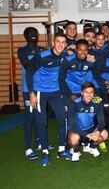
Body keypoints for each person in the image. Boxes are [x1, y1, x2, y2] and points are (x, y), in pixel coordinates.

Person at [26, 33, 72, 166]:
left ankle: (62, 150)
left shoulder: (65, 56)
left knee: (62, 119)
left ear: (66, 44)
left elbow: (77, 56)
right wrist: (31, 93)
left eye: (63, 42)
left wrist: (88, 57)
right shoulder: (42, 56)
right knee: (42, 122)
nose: (60, 45)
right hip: (40, 92)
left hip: (56, 92)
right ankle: (45, 152)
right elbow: (29, 72)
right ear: (53, 42)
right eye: (58, 41)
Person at [18, 27, 44, 159]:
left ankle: (38, 142)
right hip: (28, 89)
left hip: (41, 88)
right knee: (29, 117)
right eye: (30, 33)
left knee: (39, 116)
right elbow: (29, 66)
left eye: (35, 33)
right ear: (25, 36)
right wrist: (42, 60)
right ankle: (28, 147)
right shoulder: (22, 50)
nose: (33, 35)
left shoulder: (41, 50)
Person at [67, 82, 108, 162]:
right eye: (86, 92)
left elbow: (102, 122)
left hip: (90, 129)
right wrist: (87, 135)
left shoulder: (97, 103)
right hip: (77, 130)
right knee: (74, 139)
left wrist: (97, 132)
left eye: (91, 92)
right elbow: (72, 125)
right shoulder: (74, 103)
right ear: (82, 93)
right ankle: (75, 151)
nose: (89, 95)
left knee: (104, 134)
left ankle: (92, 146)